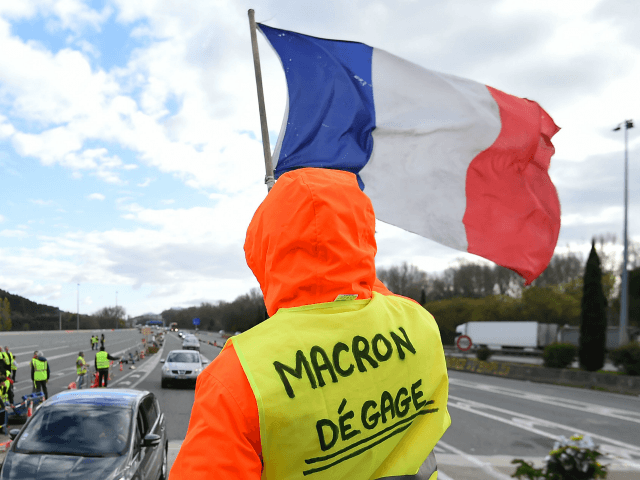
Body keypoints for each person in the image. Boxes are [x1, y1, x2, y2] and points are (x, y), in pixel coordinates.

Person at [170, 168, 450, 479]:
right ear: (362, 233)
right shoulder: (419, 323)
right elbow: (370, 289)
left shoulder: (237, 377)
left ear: (264, 250)